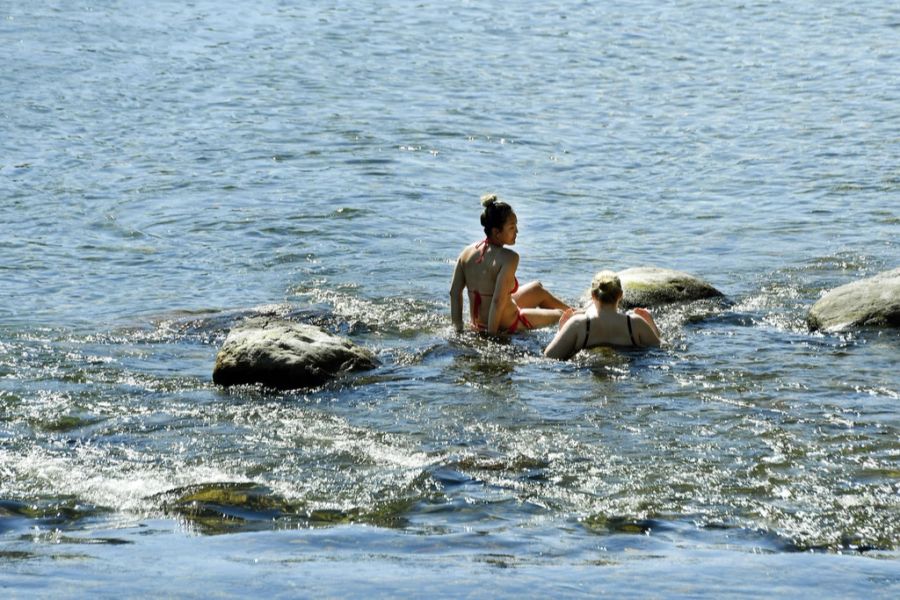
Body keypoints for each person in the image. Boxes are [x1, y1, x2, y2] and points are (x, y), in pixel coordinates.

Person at [450, 194, 571, 335]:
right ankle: (577, 315)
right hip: (508, 322)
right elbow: (497, 302)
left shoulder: (466, 252)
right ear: (496, 232)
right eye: (512, 227)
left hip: (482, 321)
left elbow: (454, 293)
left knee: (537, 288)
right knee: (561, 315)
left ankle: (575, 310)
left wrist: (458, 328)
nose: (517, 231)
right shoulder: (509, 258)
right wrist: (491, 336)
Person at [544, 270, 661, 359]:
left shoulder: (577, 324)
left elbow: (549, 356)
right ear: (620, 295)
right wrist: (651, 324)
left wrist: (561, 329)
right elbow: (659, 349)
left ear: (592, 295)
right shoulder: (636, 323)